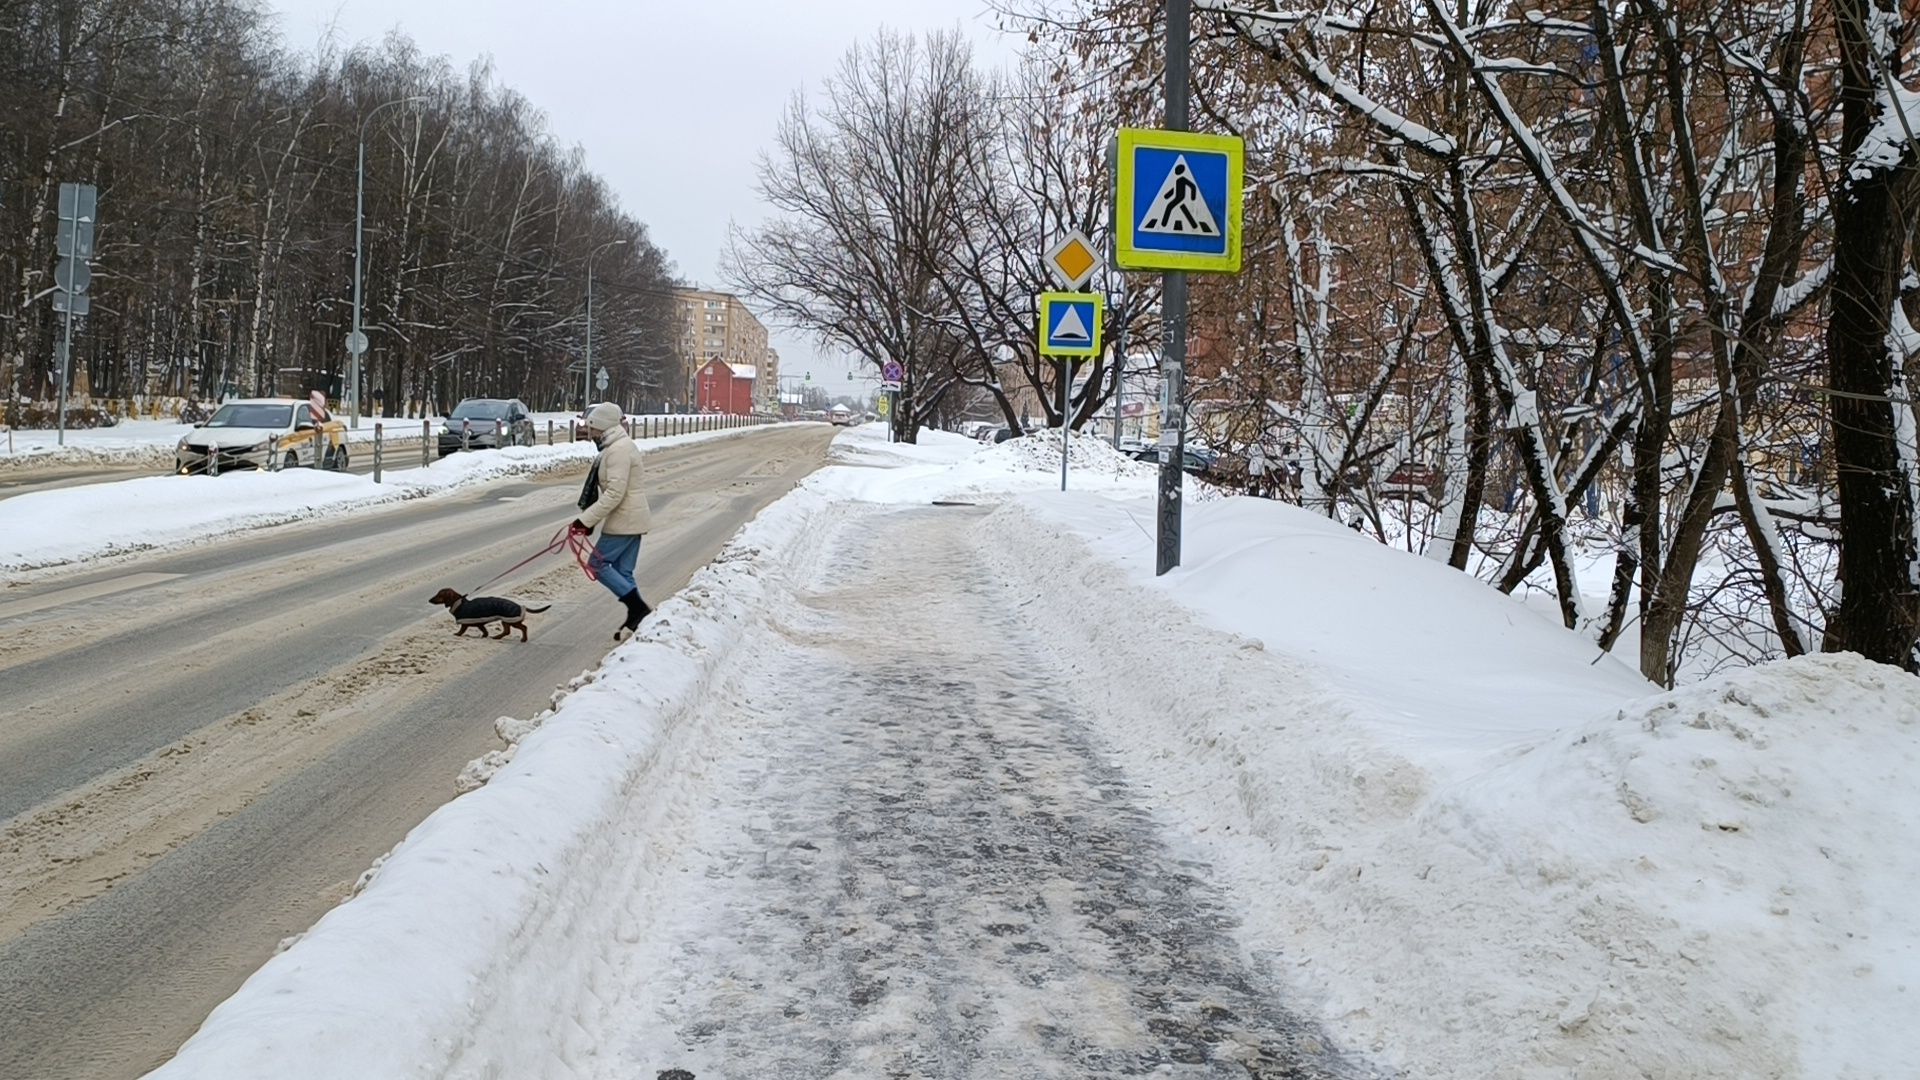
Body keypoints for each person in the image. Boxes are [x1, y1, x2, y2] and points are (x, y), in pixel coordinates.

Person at [569, 402, 653, 641]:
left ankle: (638, 609)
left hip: (625, 519)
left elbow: (615, 493)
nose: (591, 434)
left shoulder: (617, 451)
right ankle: (642, 620)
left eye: (593, 429)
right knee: (623, 572)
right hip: (632, 518)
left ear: (603, 427)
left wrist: (585, 521)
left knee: (597, 564)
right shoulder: (618, 446)